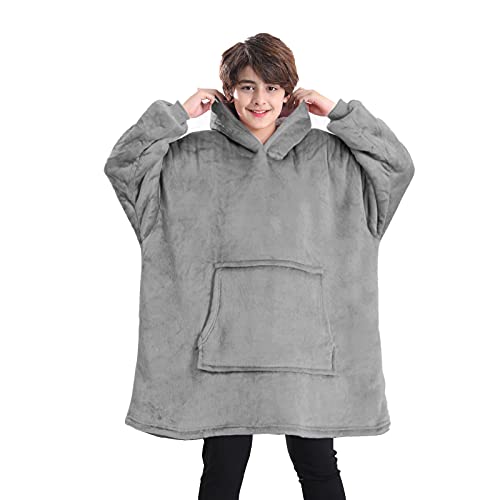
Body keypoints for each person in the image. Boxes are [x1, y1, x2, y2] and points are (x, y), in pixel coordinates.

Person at [104, 32, 414, 500]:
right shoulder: (190, 158)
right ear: (229, 91)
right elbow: (125, 166)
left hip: (308, 356)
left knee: (317, 467)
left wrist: (340, 113)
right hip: (220, 357)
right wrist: (175, 115)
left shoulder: (332, 159)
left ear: (289, 93)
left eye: (272, 87)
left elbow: (396, 167)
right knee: (222, 471)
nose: (260, 100)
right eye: (247, 86)